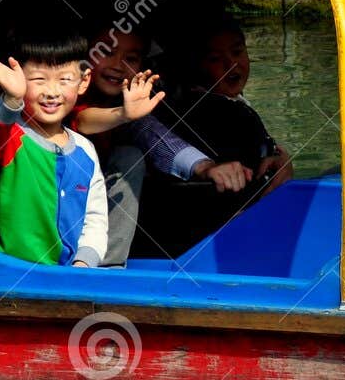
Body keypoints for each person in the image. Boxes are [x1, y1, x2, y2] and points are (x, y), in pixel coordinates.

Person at [73, 28, 260, 265]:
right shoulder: (69, 96)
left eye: (130, 58)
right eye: (107, 53)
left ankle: (110, 265)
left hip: (99, 220)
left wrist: (204, 167)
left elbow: (156, 137)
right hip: (67, 204)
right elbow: (82, 120)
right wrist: (123, 114)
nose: (119, 65)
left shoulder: (133, 108)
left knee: (131, 156)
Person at [136, 23, 293, 257]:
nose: (232, 65)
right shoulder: (221, 114)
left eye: (238, 52)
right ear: (197, 66)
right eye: (215, 59)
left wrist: (280, 157)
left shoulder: (229, 106)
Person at [0, 31, 106, 268]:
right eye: (39, 80)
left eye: (64, 80)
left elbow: (95, 217)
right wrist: (11, 98)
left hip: (71, 276)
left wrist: (84, 263)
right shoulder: (12, 136)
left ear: (83, 82)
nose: (52, 92)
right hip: (9, 272)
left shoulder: (85, 150)